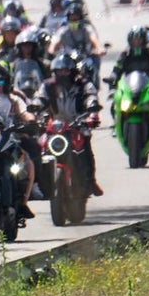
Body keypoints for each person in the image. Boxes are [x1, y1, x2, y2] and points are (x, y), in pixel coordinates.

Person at [36, 53, 104, 196]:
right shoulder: (47, 86)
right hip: (54, 127)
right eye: (59, 71)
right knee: (40, 148)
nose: (63, 74)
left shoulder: (83, 84)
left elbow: (91, 95)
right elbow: (39, 99)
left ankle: (90, 181)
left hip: (78, 124)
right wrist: (35, 108)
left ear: (72, 71)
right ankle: (38, 183)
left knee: (85, 151)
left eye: (66, 71)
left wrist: (92, 110)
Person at [0, 60, 38, 219]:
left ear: (7, 82)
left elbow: (25, 113)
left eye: (0, 81)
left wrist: (31, 120)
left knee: (29, 163)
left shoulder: (14, 99)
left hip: (9, 141)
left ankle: (23, 202)